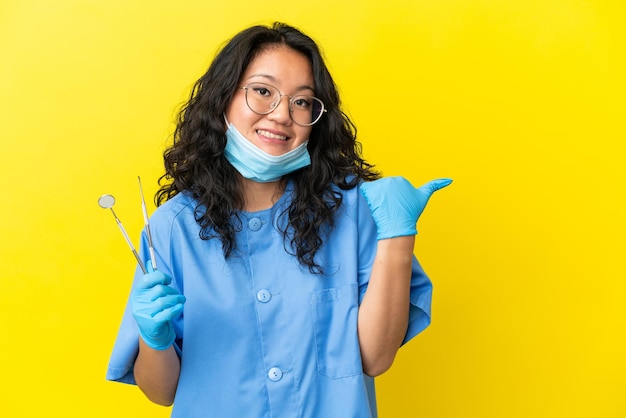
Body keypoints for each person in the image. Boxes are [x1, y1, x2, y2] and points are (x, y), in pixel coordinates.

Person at [106, 22, 451, 417]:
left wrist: (398, 236)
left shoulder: (354, 211)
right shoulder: (172, 228)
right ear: (223, 100)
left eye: (302, 101)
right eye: (263, 92)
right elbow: (161, 391)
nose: (282, 114)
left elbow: (374, 358)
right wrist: (155, 339)